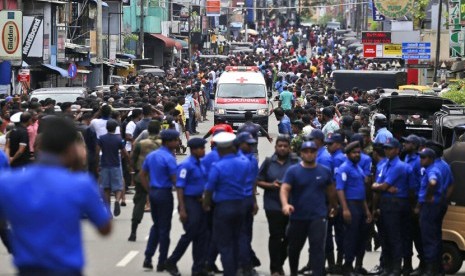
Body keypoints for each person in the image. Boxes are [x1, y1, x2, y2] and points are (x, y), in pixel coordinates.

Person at [0, 116, 111, 275]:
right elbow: (105, 228)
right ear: (72, 148)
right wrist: (81, 169)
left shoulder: (8, 182)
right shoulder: (81, 184)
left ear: (39, 146)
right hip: (67, 270)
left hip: (27, 269)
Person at [280, 141, 338, 276]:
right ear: (301, 153)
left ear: (316, 153)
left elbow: (331, 191)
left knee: (317, 249)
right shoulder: (293, 171)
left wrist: (334, 206)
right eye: (306, 151)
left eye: (312, 151)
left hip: (318, 217)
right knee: (294, 249)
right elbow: (284, 189)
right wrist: (285, 204)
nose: (309, 154)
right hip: (297, 217)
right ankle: (293, 272)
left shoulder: (324, 171)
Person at [203, 132, 252, 276]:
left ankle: (229, 271)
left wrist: (206, 205)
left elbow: (209, 189)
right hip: (241, 205)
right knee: (238, 238)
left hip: (223, 207)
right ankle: (239, 268)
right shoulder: (245, 162)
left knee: (225, 244)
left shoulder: (218, 166)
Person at [165, 138, 209, 276]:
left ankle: (198, 268)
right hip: (189, 203)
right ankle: (172, 261)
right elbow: (179, 187)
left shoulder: (200, 164)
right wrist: (182, 208)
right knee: (190, 233)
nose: (204, 150)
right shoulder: (186, 166)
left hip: (200, 203)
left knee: (201, 236)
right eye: (201, 148)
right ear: (194, 150)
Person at [257, 134, 300, 276]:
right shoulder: (269, 162)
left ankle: (280, 262)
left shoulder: (295, 162)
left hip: (292, 205)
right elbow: (258, 180)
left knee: (290, 237)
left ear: (289, 148)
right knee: (275, 236)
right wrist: (271, 185)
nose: (282, 148)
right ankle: (275, 268)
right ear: (275, 147)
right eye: (279, 146)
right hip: (273, 205)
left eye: (285, 146)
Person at [371, 138, 412, 276]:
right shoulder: (384, 165)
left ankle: (395, 268)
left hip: (397, 204)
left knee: (395, 237)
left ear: (397, 150)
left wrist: (381, 187)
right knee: (386, 237)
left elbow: (382, 185)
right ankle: (387, 267)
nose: (387, 150)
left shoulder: (399, 166)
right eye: (386, 148)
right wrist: (382, 187)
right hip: (386, 202)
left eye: (390, 148)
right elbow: (376, 185)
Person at [141, 129, 179, 271]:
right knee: (164, 229)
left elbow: (142, 175)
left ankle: (148, 257)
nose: (177, 142)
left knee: (156, 226)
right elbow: (175, 180)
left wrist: (149, 190)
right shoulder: (169, 158)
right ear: (169, 142)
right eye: (175, 140)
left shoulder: (152, 156)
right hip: (164, 194)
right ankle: (161, 261)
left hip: (154, 193)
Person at [335, 141, 372, 276]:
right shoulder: (344, 168)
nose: (357, 155)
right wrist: (345, 209)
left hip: (360, 205)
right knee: (350, 237)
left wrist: (367, 210)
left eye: (358, 152)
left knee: (361, 237)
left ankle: (358, 266)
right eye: (354, 153)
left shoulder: (358, 168)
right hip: (350, 205)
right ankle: (348, 266)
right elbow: (339, 189)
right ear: (348, 154)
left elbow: (361, 191)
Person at [417, 147, 451, 275]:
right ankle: (437, 269)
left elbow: (432, 182)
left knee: (429, 238)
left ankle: (431, 269)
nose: (421, 160)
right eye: (420, 157)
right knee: (435, 237)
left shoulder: (433, 170)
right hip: (436, 205)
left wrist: (429, 195)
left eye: (423, 157)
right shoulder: (436, 167)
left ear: (431, 159)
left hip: (430, 207)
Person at [128, 120, 162, 242]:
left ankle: (133, 231)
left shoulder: (140, 144)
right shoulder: (163, 143)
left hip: (140, 177)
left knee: (139, 203)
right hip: (158, 178)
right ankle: (159, 231)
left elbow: (132, 160)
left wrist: (134, 171)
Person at [235, 132, 261, 273]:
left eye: (253, 144)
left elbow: (253, 183)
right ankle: (245, 265)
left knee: (246, 234)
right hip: (237, 200)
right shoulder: (236, 159)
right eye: (248, 144)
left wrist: (254, 201)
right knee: (242, 234)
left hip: (247, 199)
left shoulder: (252, 159)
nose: (252, 146)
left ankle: (244, 262)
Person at [96, 119, 129, 217]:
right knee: (118, 187)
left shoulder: (101, 138)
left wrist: (97, 164)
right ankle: (117, 201)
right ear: (115, 128)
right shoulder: (118, 139)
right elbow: (125, 152)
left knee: (106, 189)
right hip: (116, 164)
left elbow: (97, 152)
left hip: (105, 164)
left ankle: (108, 211)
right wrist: (129, 162)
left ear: (106, 128)